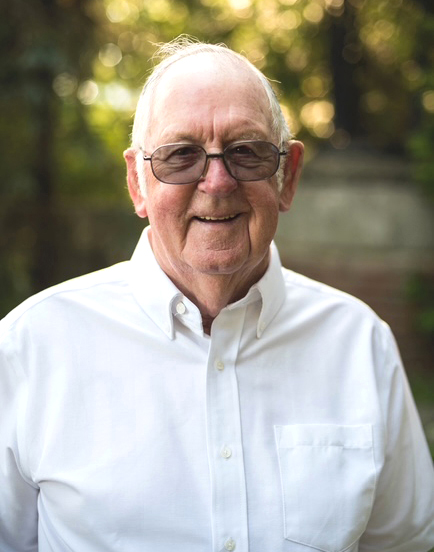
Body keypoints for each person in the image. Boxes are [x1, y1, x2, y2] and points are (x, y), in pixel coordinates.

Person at [1, 36, 433, 552]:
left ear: (287, 176)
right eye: (181, 155)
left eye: (246, 151)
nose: (218, 181)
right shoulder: (28, 348)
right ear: (138, 185)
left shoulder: (360, 343)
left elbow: (405, 544)